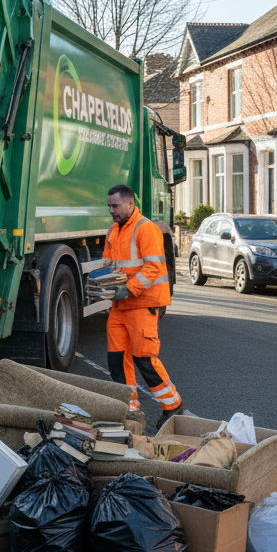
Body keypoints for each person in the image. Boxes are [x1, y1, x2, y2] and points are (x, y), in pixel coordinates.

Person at [102, 184, 182, 431]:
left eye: (115, 206)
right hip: (120, 305)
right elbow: (108, 265)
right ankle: (130, 411)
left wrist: (130, 288)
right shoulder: (113, 231)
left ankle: (172, 406)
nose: (112, 211)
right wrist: (99, 283)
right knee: (116, 360)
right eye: (109, 207)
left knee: (144, 358)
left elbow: (154, 267)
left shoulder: (145, 228)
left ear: (130, 203)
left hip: (143, 304)